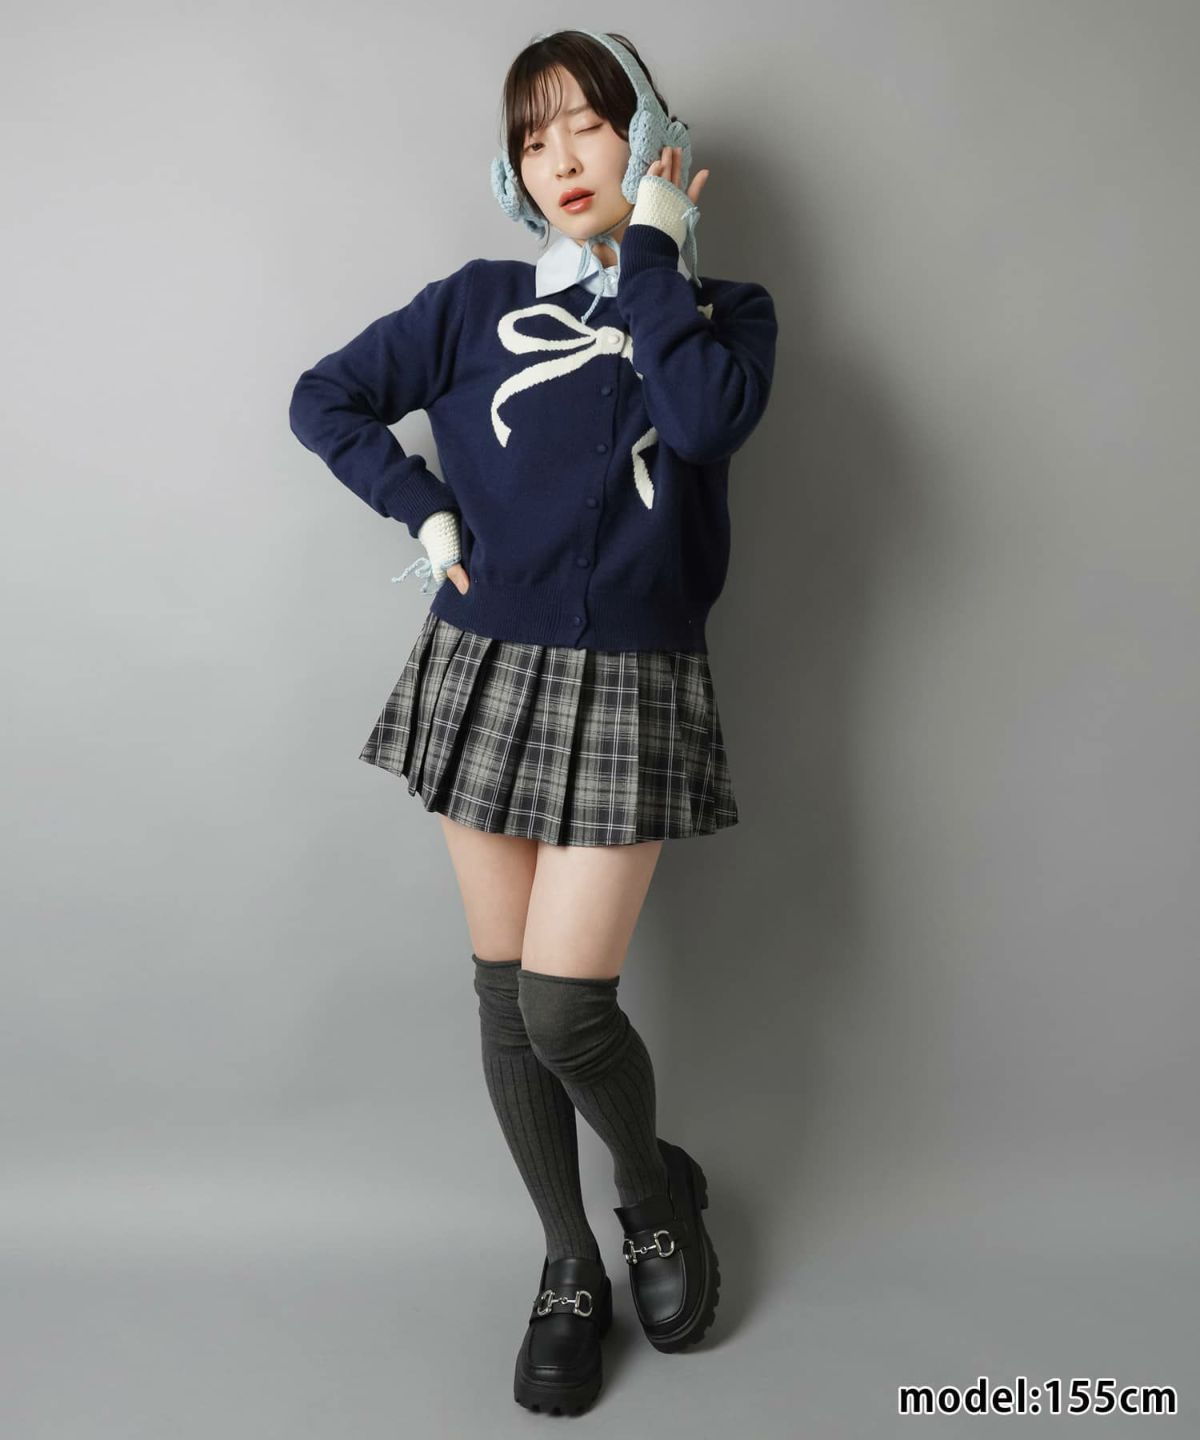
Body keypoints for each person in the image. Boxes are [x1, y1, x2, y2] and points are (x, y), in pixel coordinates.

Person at [289, 27, 778, 1415]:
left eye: (588, 126)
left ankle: (652, 1194)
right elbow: (325, 398)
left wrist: (656, 252)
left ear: (650, 138)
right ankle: (568, 1261)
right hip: (483, 671)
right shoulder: (475, 303)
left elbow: (700, 428)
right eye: (532, 136)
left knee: (568, 1006)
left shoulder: (724, 314)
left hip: (631, 681)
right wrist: (423, 506)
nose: (559, 158)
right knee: (508, 997)